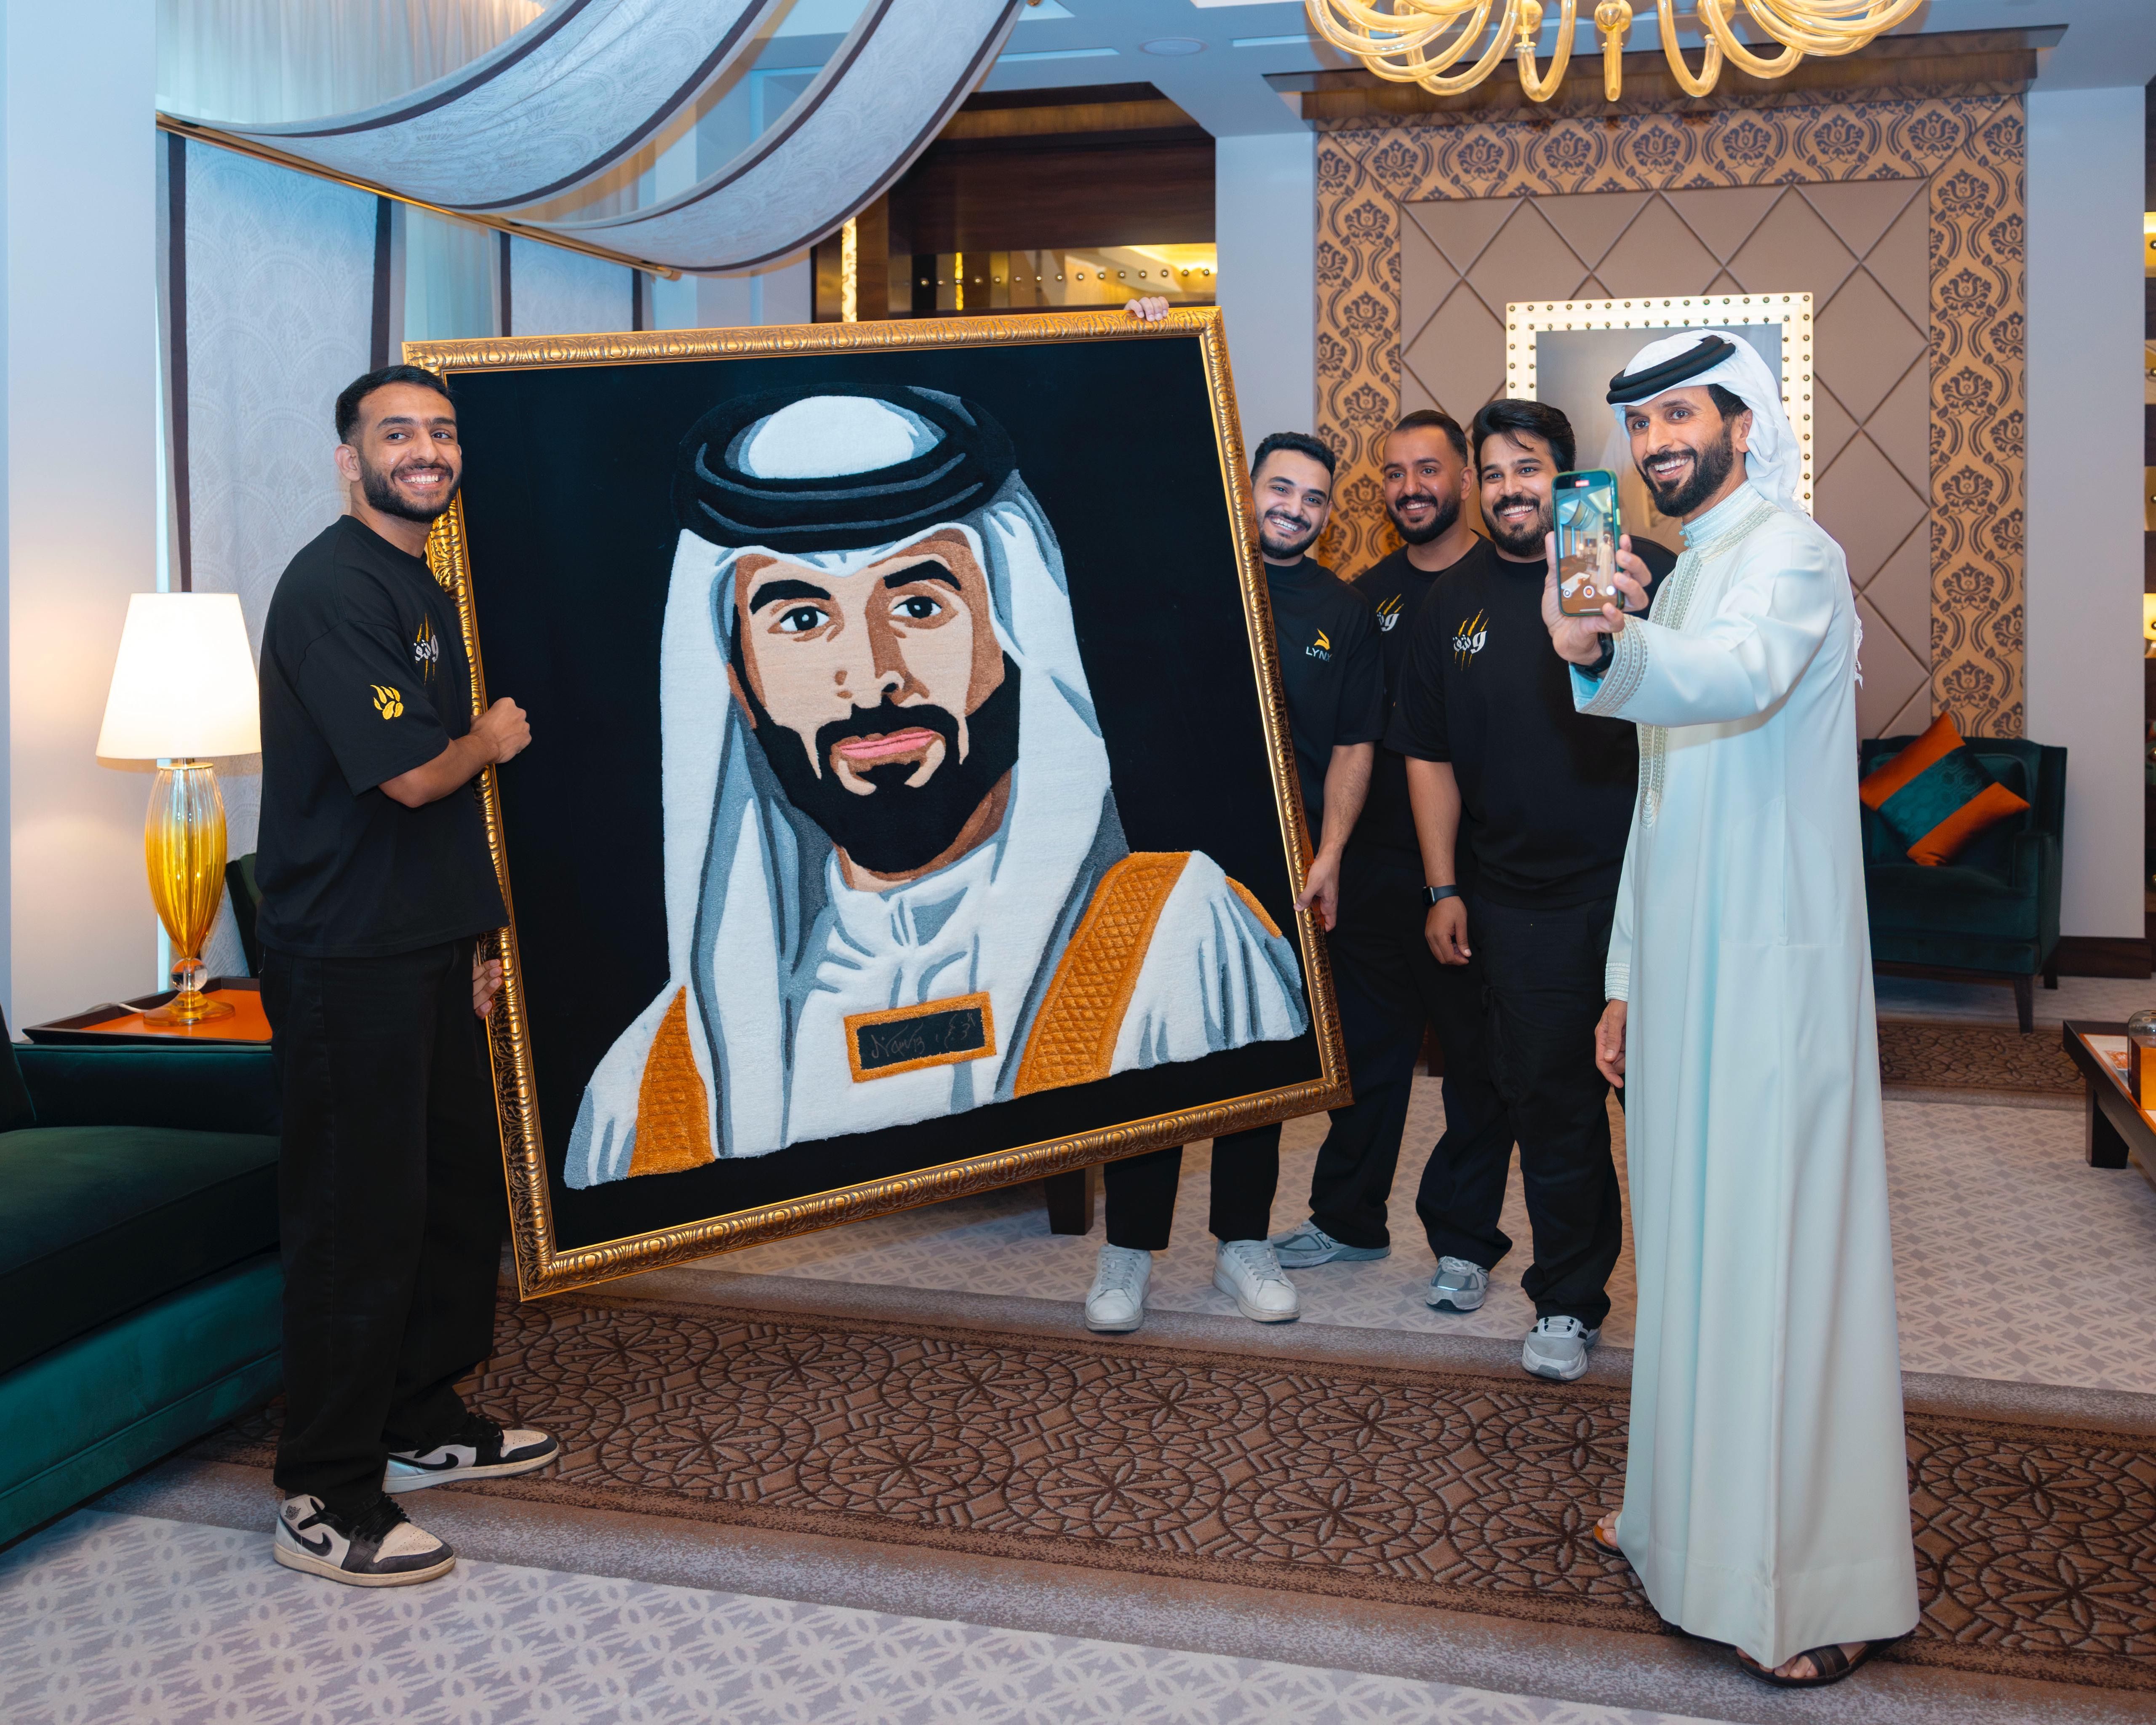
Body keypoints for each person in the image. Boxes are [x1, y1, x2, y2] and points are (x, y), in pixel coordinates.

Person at [568, 383, 1305, 1181]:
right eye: (804, 621)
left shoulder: (1176, 938)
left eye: (919, 605)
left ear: (1014, 633)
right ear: (741, 687)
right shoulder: (659, 1080)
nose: (871, 679)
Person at [1550, 331, 1918, 1685]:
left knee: (1773, 1264)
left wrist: (1606, 643)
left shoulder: (1793, 556)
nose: (1658, 444)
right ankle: (1677, 1529)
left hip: (1770, 976)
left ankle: (1807, 1592)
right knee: (1691, 1257)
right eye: (1641, 424)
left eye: (1682, 417)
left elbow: (1741, 678)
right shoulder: (1694, 568)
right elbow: (1658, 802)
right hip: (1687, 973)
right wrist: (1626, 981)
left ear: (1744, 424)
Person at [257, 364, 557, 1588]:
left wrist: (471, 941)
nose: (424, 449)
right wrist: (489, 737)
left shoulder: (417, 579)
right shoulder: (333, 588)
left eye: (440, 430)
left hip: (420, 944)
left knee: (448, 1199)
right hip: (345, 956)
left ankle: (418, 1416)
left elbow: (426, 821)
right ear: (351, 459)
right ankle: (323, 1490)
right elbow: (414, 776)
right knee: (358, 1222)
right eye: (397, 433)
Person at [1382, 401, 1675, 1382]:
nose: (1513, 488)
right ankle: (1567, 1298)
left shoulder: (1642, 571)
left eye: (1531, 467)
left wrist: (1643, 617)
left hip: (1651, 887)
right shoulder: (1447, 605)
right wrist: (1442, 883)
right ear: (1477, 484)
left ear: (1568, 477)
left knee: (1673, 1103)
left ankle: (1698, 1295)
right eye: (1497, 471)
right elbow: (1427, 755)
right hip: (1520, 902)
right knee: (1552, 1103)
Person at [1082, 411, 1382, 1333]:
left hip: (1281, 861)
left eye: (1315, 499)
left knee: (1263, 1046)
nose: (1295, 508)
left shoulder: (1341, 612)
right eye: (1280, 488)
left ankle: (1241, 1242)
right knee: (1151, 1045)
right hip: (1161, 850)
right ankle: (1127, 1249)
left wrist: (1330, 853)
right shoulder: (1186, 574)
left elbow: (1354, 744)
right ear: (1246, 490)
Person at [1264, 410, 1512, 1278]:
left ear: (1465, 481)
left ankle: (1464, 1242)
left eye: (1428, 470)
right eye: (1395, 474)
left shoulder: (1508, 583)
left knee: (1475, 1063)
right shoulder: (1363, 598)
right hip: (1371, 865)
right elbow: (1346, 741)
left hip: (1471, 871)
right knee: (1366, 1055)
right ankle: (1348, 1217)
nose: (1411, 488)